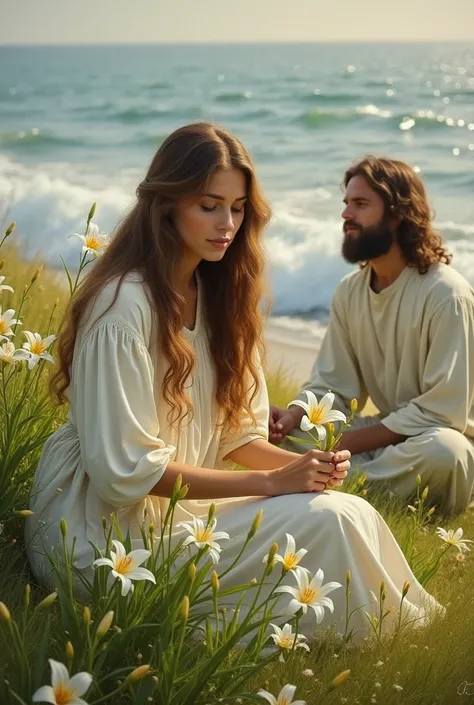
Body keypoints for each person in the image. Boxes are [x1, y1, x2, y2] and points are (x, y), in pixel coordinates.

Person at [26, 126, 440, 639]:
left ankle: (407, 637)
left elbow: (238, 438)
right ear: (166, 205)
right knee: (327, 526)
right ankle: (385, 640)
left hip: (173, 513)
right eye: (209, 205)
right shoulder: (123, 307)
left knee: (344, 507)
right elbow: (123, 474)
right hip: (100, 539)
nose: (227, 224)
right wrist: (271, 483)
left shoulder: (220, 296)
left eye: (238, 207)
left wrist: (303, 467)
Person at [270, 156, 474, 516]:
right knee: (288, 438)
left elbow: (442, 413)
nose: (346, 215)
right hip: (385, 435)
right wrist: (295, 414)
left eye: (360, 204)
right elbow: (333, 385)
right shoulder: (350, 291)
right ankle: (346, 485)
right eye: (346, 204)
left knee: (446, 453)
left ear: (397, 214)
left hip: (436, 440)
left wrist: (345, 443)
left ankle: (330, 484)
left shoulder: (447, 294)